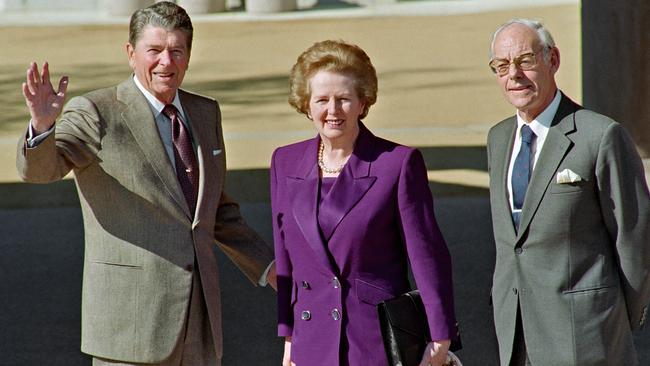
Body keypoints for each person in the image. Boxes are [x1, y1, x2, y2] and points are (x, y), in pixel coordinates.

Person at [16, 2, 275, 365]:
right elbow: (41, 171)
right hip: (130, 325)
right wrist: (43, 128)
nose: (166, 62)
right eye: (154, 50)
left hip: (200, 324)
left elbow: (213, 211)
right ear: (131, 53)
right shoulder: (95, 112)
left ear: (188, 55)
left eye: (176, 51)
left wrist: (270, 267)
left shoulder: (205, 112)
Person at [270, 40, 458, 366]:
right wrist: (288, 338)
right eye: (322, 100)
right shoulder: (284, 162)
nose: (333, 110)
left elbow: (428, 257)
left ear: (363, 102)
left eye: (344, 99)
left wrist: (440, 338)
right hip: (310, 342)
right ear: (306, 104)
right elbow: (285, 260)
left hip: (374, 343)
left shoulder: (397, 164)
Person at [486, 18, 650, 365]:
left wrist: (616, 321)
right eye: (502, 65)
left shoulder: (600, 135)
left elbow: (635, 238)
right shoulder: (498, 139)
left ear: (553, 60)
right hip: (515, 334)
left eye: (525, 61)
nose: (513, 74)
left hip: (586, 336)